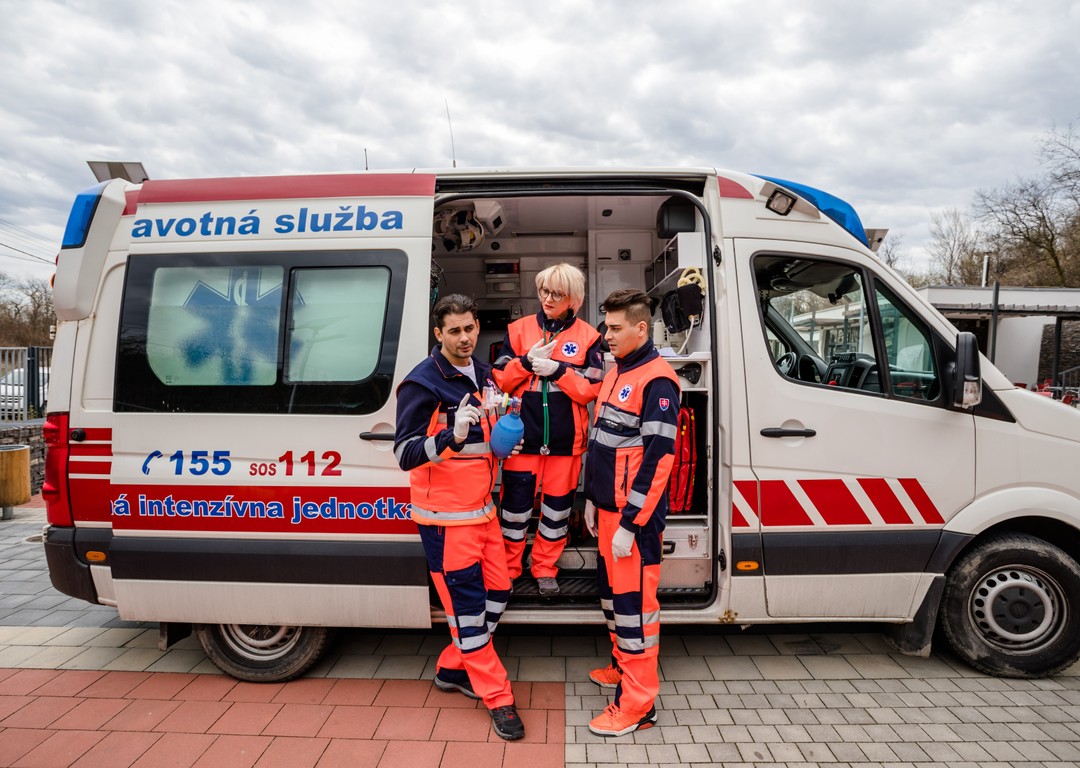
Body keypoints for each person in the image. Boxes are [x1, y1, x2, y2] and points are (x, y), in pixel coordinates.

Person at [393, 293, 524, 741]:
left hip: (483, 512)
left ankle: (453, 667)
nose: (464, 338)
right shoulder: (422, 383)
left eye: (469, 328)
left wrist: (505, 438)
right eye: (454, 331)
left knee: (500, 590)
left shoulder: (483, 374)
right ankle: (498, 697)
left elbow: (486, 440)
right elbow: (405, 454)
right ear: (438, 333)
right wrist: (452, 435)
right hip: (446, 523)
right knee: (468, 614)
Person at [582, 288, 680, 737]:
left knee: (635, 611)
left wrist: (630, 524)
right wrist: (591, 497)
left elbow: (659, 461)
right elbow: (602, 442)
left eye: (615, 328)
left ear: (641, 328)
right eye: (606, 326)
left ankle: (638, 707)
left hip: (631, 521)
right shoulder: (618, 369)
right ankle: (622, 667)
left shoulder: (658, 381)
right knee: (613, 601)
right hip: (608, 511)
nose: (606, 335)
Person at [492, 263, 604, 595]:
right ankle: (509, 569)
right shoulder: (518, 330)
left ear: (574, 299)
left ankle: (544, 568)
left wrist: (557, 371)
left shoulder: (589, 337)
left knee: (556, 514)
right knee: (514, 513)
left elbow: (592, 388)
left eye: (557, 293)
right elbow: (500, 380)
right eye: (544, 291)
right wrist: (526, 363)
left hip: (566, 444)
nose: (548, 298)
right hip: (521, 440)